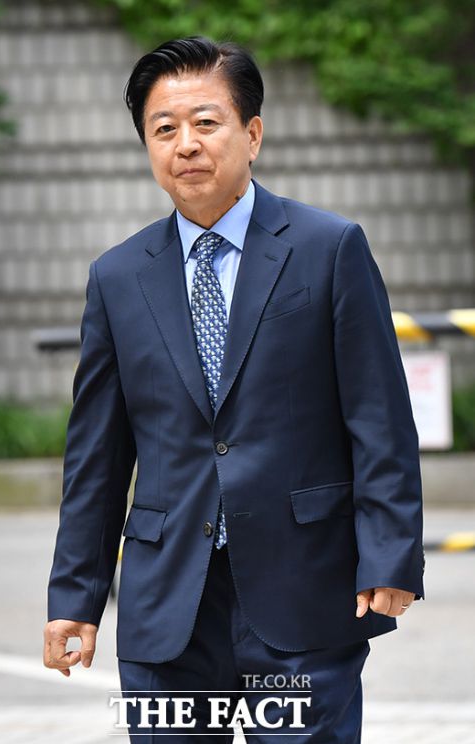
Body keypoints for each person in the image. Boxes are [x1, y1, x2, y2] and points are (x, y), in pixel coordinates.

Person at [44, 36, 425, 742]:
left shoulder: (328, 249)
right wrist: (76, 595)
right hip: (168, 609)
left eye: (206, 122)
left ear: (252, 134)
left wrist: (390, 554)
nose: (186, 144)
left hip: (303, 593)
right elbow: (96, 457)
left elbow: (379, 419)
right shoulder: (118, 278)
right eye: (164, 129)